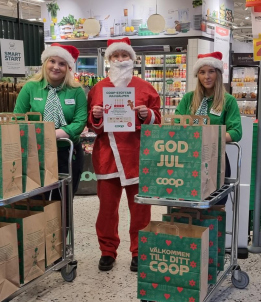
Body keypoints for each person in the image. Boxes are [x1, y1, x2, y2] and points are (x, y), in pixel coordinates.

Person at [87, 38, 161, 272]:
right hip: (107, 157)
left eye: (124, 56)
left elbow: (157, 120)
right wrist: (96, 115)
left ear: (132, 59)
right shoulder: (98, 88)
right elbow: (93, 125)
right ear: (108, 60)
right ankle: (107, 250)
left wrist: (145, 114)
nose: (120, 60)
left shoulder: (146, 88)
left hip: (137, 156)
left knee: (140, 208)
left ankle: (140, 251)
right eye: (115, 56)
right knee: (107, 209)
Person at [14, 43, 87, 198]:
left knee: (64, 200)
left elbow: (80, 122)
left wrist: (52, 134)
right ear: (45, 62)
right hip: (35, 153)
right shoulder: (30, 88)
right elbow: (18, 118)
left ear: (68, 67)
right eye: (52, 61)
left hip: (67, 153)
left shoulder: (76, 91)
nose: (56, 67)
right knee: (37, 199)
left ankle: (62, 223)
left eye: (62, 63)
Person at [175, 51, 242, 204]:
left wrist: (208, 136)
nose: (207, 76)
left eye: (211, 71)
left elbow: (236, 132)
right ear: (197, 76)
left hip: (215, 160)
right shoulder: (188, 99)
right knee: (187, 205)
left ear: (218, 73)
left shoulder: (228, 101)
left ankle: (212, 228)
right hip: (187, 158)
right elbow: (176, 123)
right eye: (202, 72)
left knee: (215, 207)